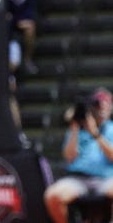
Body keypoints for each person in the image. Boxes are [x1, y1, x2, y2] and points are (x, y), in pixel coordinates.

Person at [44, 89, 113, 223]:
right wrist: (75, 127)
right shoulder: (77, 130)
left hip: (106, 178)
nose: (102, 108)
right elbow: (69, 157)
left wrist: (95, 134)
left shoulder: (111, 128)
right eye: (99, 105)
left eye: (106, 104)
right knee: (52, 196)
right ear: (92, 108)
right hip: (78, 178)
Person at [5, 0, 38, 76]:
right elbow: (4, 14)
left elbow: (29, 15)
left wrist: (15, 20)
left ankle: (28, 59)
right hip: (7, 25)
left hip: (20, 23)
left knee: (31, 28)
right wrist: (14, 20)